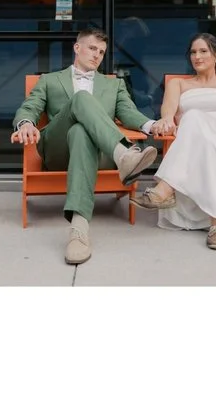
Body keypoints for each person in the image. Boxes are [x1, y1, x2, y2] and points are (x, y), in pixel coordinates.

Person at [8, 27, 159, 266]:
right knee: (80, 99)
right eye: (92, 48)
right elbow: (30, 107)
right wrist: (26, 124)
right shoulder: (49, 80)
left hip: (99, 154)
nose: (97, 55)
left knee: (80, 132)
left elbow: (129, 113)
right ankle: (124, 155)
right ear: (77, 48)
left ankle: (79, 230)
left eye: (101, 51)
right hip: (57, 150)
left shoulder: (114, 85)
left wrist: (152, 125)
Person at [131, 31, 216, 250]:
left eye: (203, 51)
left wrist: (215, 124)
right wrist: (166, 119)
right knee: (194, 122)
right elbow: (168, 110)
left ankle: (164, 189)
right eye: (193, 52)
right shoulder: (178, 84)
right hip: (197, 144)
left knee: (193, 117)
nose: (197, 56)